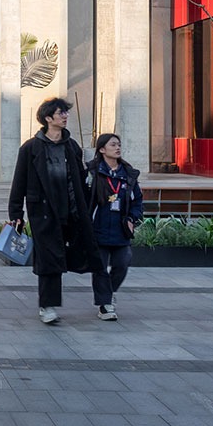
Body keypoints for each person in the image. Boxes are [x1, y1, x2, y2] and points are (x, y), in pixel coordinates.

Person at [6, 97, 93, 325]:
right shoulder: (31, 148)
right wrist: (16, 214)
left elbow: (81, 180)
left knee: (77, 254)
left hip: (71, 212)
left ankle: (105, 301)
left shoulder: (71, 146)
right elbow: (19, 182)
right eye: (60, 113)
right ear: (48, 118)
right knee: (48, 259)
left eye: (65, 112)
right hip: (43, 212)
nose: (65, 116)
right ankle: (48, 306)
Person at [86, 132, 144, 321]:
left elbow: (137, 201)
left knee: (123, 262)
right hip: (98, 229)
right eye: (113, 145)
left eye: (118, 145)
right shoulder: (92, 173)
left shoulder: (128, 175)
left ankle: (108, 294)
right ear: (102, 149)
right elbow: (84, 200)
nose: (117, 148)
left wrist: (132, 219)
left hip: (121, 229)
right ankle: (105, 305)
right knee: (100, 268)